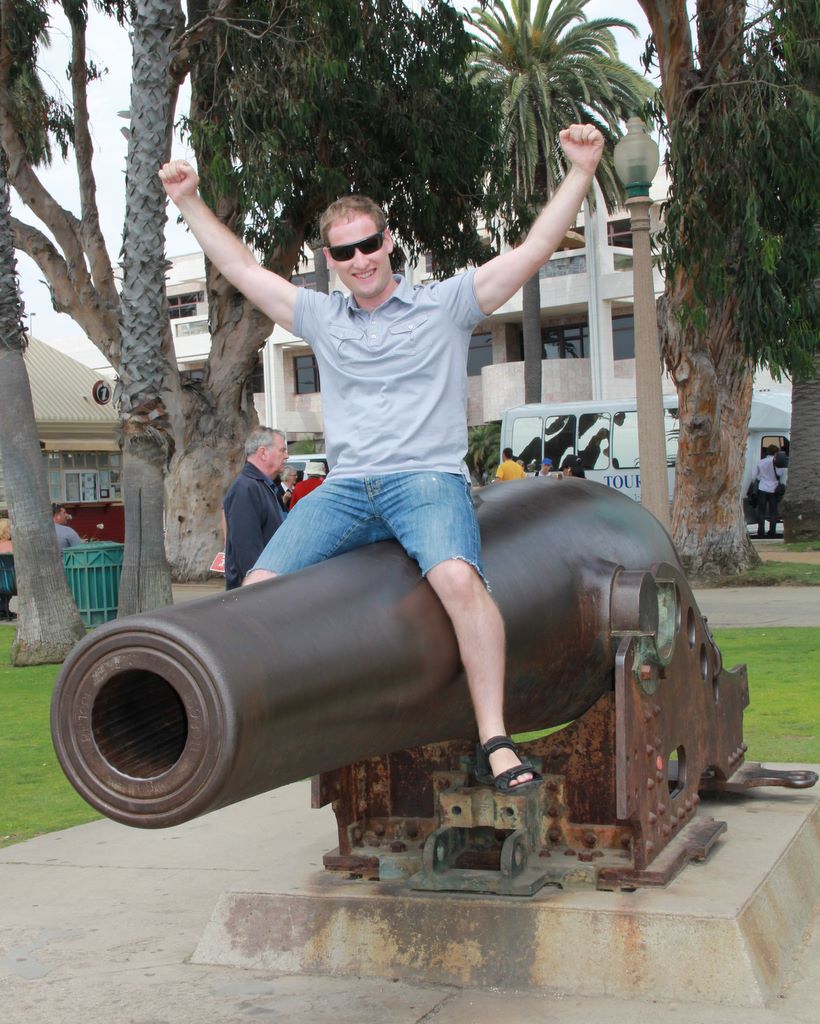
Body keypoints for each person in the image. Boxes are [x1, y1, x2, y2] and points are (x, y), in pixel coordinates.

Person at [160, 122, 604, 791]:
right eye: (346, 252)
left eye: (370, 244)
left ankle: (495, 737)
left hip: (425, 481)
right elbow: (242, 269)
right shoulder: (320, 318)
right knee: (259, 590)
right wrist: (189, 201)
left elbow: (535, 249)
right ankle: (294, 725)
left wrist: (581, 171)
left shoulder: (445, 305)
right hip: (347, 488)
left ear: (389, 241)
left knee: (459, 583)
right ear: (331, 259)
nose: (361, 259)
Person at [222, 427, 289, 590]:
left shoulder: (262, 486)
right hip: (257, 593)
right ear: (263, 453)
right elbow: (247, 550)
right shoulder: (246, 489)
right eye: (282, 450)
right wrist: (262, 590)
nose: (287, 456)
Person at [753, 444, 781, 539]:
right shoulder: (777, 463)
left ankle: (760, 531)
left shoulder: (761, 462)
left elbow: (754, 476)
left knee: (761, 511)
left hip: (762, 488)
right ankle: (772, 532)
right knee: (773, 512)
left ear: (767, 452)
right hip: (774, 489)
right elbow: (780, 474)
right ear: (776, 453)